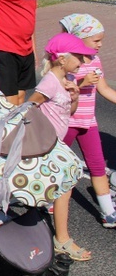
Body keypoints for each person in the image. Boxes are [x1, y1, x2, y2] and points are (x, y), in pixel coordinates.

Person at [28, 33, 94, 261]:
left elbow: (70, 112)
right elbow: (29, 106)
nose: (83, 62)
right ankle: (62, 240)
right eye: (79, 57)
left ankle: (55, 234)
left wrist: (74, 96)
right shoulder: (49, 82)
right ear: (62, 59)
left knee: (64, 186)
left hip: (55, 145)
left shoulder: (67, 81)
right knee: (65, 186)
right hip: (46, 146)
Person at [60, 14, 116, 228]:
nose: (100, 44)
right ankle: (49, 200)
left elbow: (103, 89)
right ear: (78, 38)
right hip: (67, 121)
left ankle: (108, 212)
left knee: (97, 166)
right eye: (96, 40)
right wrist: (82, 82)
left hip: (88, 122)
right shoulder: (66, 59)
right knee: (58, 164)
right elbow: (60, 87)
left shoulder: (95, 60)